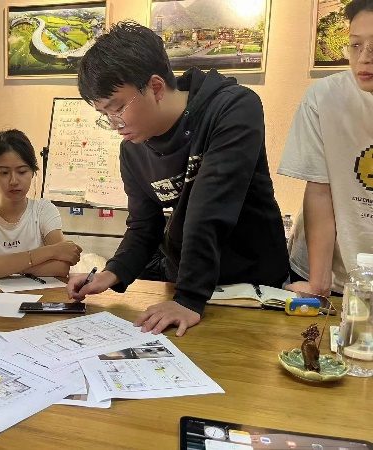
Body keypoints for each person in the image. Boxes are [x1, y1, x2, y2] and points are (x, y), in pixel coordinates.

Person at [66, 21, 289, 336]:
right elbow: (144, 226)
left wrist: (188, 297)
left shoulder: (233, 107)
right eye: (104, 116)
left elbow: (208, 211)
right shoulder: (133, 149)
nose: (114, 125)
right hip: (185, 287)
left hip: (252, 285)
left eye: (117, 109)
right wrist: (113, 272)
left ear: (156, 87)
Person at [278, 0, 373, 296]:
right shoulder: (325, 98)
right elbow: (320, 191)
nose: (364, 58)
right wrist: (319, 284)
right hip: (329, 273)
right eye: (355, 45)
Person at [0, 129, 82, 280]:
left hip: (39, 293)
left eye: (22, 172)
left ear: (33, 172)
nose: (13, 181)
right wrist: (51, 252)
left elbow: (61, 267)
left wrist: (0, 268)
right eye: (4, 173)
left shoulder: (44, 210)